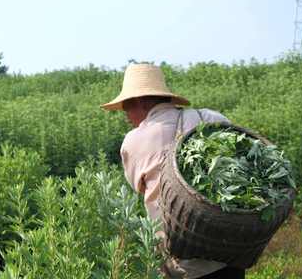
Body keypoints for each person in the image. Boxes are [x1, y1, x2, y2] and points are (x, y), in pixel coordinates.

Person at [101, 63, 245, 279]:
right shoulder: (212, 119)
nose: (125, 116)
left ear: (140, 101)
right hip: (228, 250)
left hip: (183, 265)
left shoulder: (133, 141)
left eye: (125, 107)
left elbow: (139, 188)